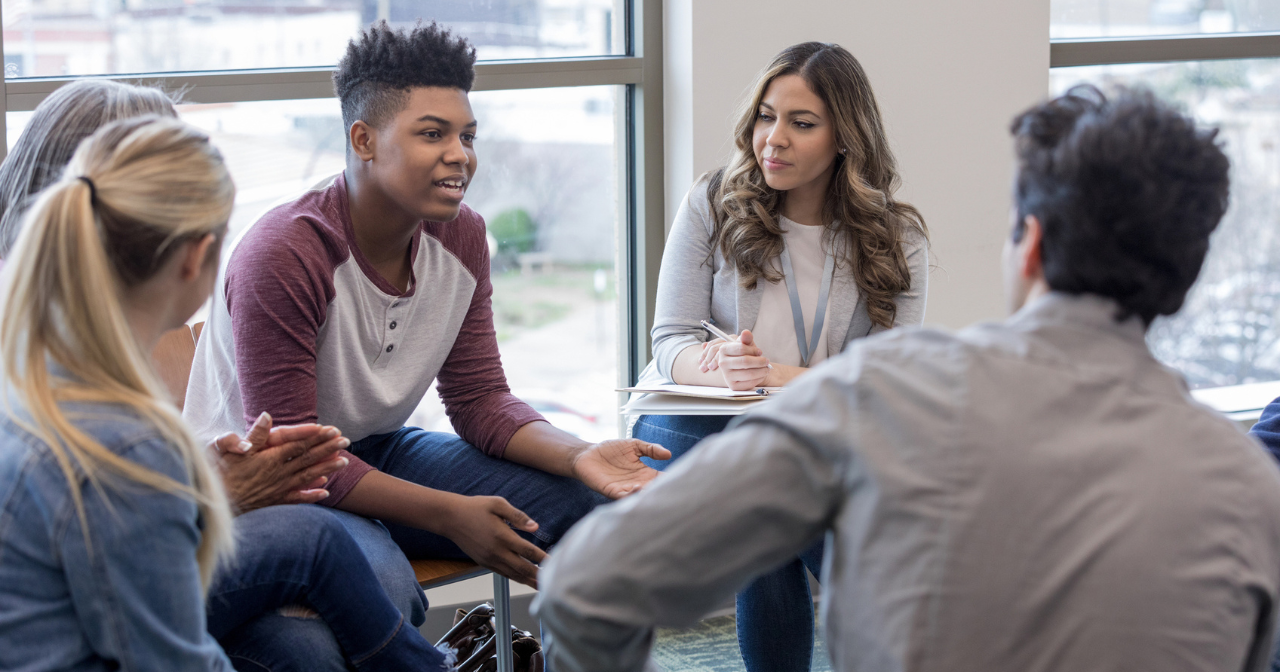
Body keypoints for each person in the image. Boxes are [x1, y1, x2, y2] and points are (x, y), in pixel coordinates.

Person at [535, 86, 1280, 672]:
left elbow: (586, 590)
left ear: (1031, 246)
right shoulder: (1253, 492)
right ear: (1182, 281)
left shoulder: (879, 395)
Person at [184, 20, 669, 590]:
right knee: (382, 585)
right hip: (265, 482)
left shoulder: (461, 237)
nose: (459, 156)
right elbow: (298, 461)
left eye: (467, 136)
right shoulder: (286, 253)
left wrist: (580, 453)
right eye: (433, 134)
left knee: (582, 501)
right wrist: (449, 515)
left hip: (380, 449)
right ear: (364, 140)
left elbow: (478, 399)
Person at [0, 104, 447, 670]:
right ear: (197, 257)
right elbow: (165, 654)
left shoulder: (52, 360)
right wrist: (203, 492)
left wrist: (201, 483)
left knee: (316, 539)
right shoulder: (126, 439)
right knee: (302, 643)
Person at [631, 41, 927, 671]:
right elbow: (669, 342)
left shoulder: (895, 237)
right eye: (766, 116)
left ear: (845, 136)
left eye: (801, 123)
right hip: (692, 423)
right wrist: (714, 366)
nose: (774, 139)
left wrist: (777, 378)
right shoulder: (713, 203)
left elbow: (886, 381)